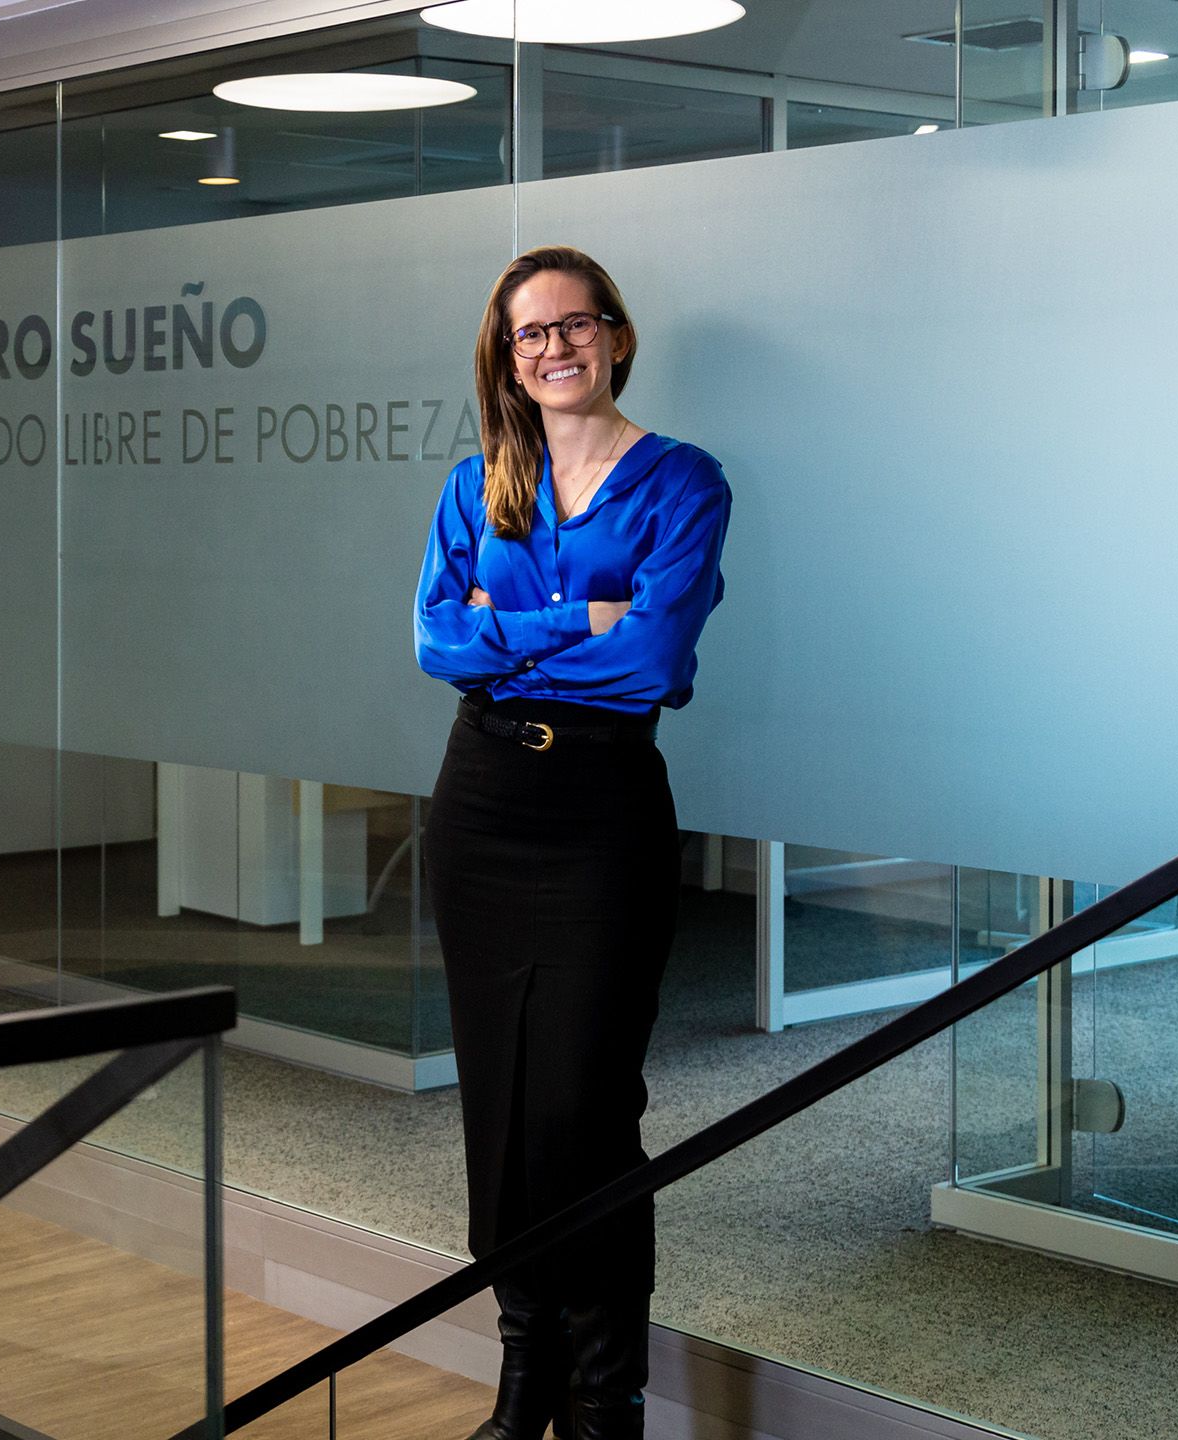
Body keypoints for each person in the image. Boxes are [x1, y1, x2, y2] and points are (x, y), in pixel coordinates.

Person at [413, 245, 732, 1440]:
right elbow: (438, 643)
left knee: (585, 1111)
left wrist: (515, 629)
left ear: (615, 334)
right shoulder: (473, 487)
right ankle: (523, 1374)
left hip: (599, 816)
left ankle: (605, 1401)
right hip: (483, 805)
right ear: (504, 357)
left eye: (572, 325)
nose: (551, 349)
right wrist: (575, 620)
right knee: (497, 1106)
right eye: (526, 334)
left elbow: (652, 662)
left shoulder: (683, 481)